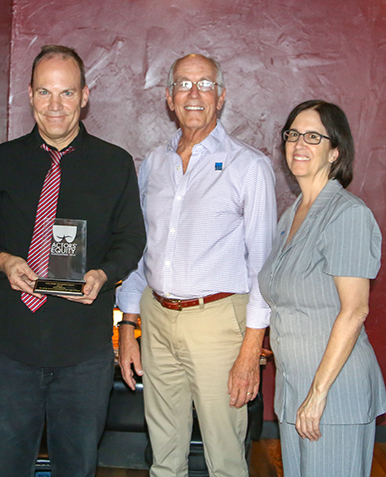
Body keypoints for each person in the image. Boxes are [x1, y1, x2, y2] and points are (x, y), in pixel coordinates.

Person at [0, 44, 145, 477]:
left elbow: (131, 239)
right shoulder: (0, 161)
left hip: (82, 354)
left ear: (84, 96)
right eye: (45, 92)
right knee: (8, 469)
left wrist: (104, 274)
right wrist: (7, 261)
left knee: (77, 469)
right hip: (10, 351)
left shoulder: (115, 165)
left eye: (66, 93)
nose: (55, 105)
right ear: (29, 95)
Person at [116, 53, 277, 477]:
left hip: (219, 322)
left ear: (220, 97)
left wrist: (250, 349)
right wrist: (128, 329)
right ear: (169, 98)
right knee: (164, 457)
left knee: (224, 456)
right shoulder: (153, 164)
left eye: (204, 84)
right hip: (156, 316)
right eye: (183, 84)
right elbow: (138, 250)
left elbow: (263, 266)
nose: (193, 94)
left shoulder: (250, 167)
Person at [258, 100, 386, 476]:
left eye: (313, 136)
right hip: (294, 389)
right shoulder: (292, 214)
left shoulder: (348, 214)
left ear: (335, 151)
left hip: (333, 392)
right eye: (293, 134)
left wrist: (318, 394)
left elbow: (355, 310)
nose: (299, 143)